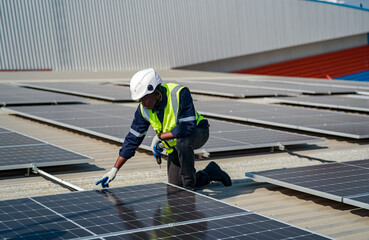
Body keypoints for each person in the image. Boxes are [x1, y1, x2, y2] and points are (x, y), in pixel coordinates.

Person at [96, 68, 232, 189]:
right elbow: (132, 140)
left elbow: (187, 128)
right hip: (174, 145)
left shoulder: (179, 94)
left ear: (156, 91)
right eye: (139, 100)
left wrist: (160, 137)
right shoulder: (143, 110)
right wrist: (114, 169)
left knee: (183, 147)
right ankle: (210, 172)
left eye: (144, 98)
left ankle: (189, 189)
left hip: (198, 132)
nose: (142, 103)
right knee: (176, 185)